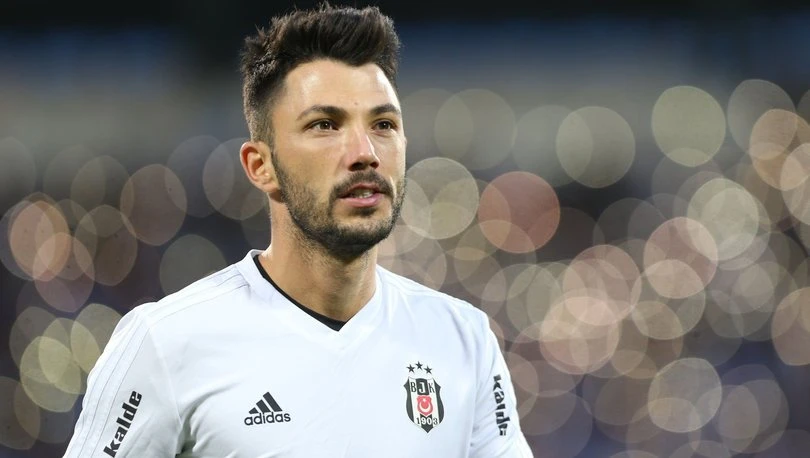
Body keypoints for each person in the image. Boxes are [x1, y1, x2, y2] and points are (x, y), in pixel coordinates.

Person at [63, 3, 532, 457]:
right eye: (326, 125)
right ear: (261, 166)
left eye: (383, 124)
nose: (365, 152)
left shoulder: (463, 339)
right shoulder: (167, 343)